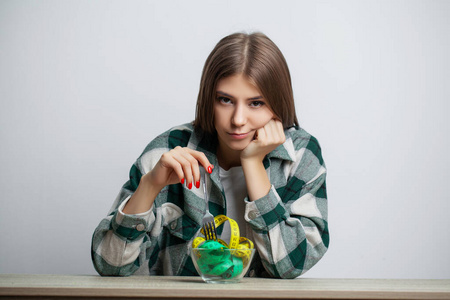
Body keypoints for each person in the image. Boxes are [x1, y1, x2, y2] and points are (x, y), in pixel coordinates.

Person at [91, 32, 329, 279]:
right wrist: (150, 185)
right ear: (208, 99)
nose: (238, 120)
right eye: (225, 100)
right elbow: (111, 266)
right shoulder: (168, 151)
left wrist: (253, 163)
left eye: (256, 103)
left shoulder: (302, 155)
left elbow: (290, 266)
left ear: (278, 105)